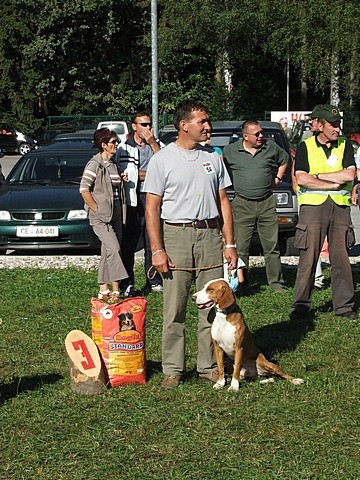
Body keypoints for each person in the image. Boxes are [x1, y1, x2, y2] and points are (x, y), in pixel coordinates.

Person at [144, 100, 238, 388]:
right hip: (176, 235)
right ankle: (173, 369)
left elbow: (224, 202)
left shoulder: (213, 157)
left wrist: (230, 244)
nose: (208, 126)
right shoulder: (162, 159)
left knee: (212, 305)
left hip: (210, 235)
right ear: (184, 125)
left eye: (207, 121)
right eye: (203, 122)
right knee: (176, 306)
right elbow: (151, 207)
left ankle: (209, 366)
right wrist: (157, 250)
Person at [290, 104, 357, 320]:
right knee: (308, 258)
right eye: (332, 124)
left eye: (338, 124)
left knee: (341, 258)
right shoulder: (305, 146)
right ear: (319, 125)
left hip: (340, 208)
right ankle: (301, 306)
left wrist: (317, 177)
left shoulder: (345, 145)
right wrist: (331, 183)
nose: (337, 128)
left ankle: (344, 306)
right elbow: (301, 178)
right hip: (312, 208)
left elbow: (349, 175)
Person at [223, 119, 289, 292]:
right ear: (245, 136)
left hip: (266, 202)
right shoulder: (231, 151)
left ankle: (276, 283)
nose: (261, 136)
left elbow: (285, 159)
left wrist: (278, 178)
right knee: (241, 247)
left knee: (271, 245)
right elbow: (221, 169)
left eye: (262, 133)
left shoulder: (270, 147)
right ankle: (241, 283)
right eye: (257, 134)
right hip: (242, 203)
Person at [116, 111, 163, 296]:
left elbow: (165, 164)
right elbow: (125, 172)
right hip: (133, 198)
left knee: (153, 241)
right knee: (129, 243)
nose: (148, 128)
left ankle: (154, 280)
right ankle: (127, 283)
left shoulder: (157, 145)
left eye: (149, 124)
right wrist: (150, 173)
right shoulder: (124, 148)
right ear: (134, 126)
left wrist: (152, 143)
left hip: (153, 196)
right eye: (143, 124)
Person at [80, 128, 128, 301]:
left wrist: (121, 179)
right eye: (113, 142)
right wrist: (96, 209)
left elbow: (110, 185)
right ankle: (118, 286)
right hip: (100, 215)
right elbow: (84, 189)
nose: (117, 145)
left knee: (108, 251)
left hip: (115, 212)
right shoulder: (94, 164)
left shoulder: (113, 163)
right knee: (114, 249)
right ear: (103, 145)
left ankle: (105, 289)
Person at [292, 105, 325, 289]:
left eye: (313, 119)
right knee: (308, 244)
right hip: (309, 200)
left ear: (321, 123)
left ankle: (319, 279)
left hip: (331, 200)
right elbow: (296, 166)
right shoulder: (305, 141)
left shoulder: (338, 145)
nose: (310, 122)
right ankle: (315, 278)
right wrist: (296, 185)